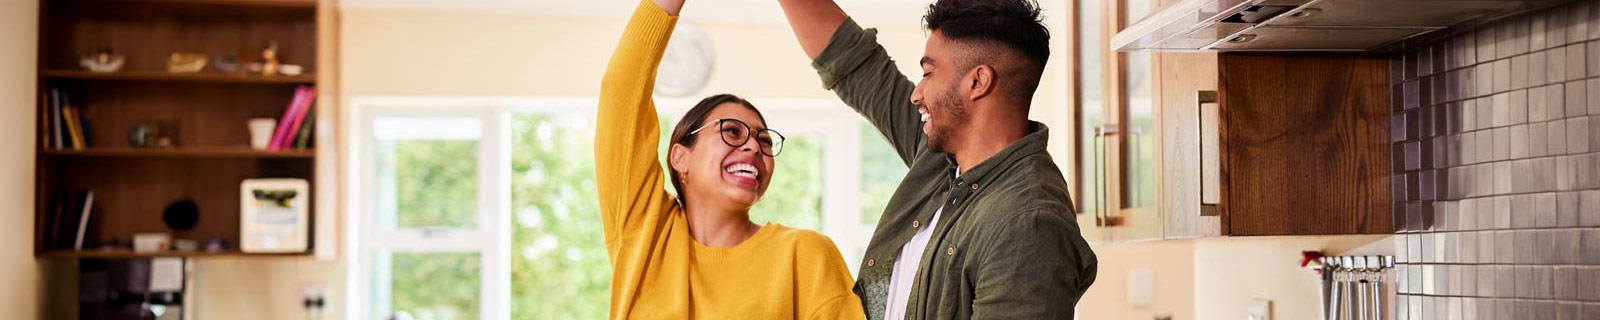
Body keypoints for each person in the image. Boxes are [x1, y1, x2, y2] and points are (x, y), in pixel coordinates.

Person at [774, 0, 1098, 319]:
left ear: (978, 81)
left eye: (928, 73)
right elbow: (854, 65)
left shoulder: (1029, 224)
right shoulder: (940, 159)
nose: (917, 93)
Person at [594, 0, 867, 318]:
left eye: (764, 140)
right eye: (732, 132)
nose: (754, 147)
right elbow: (621, 92)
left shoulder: (803, 254)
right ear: (680, 157)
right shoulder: (645, 234)